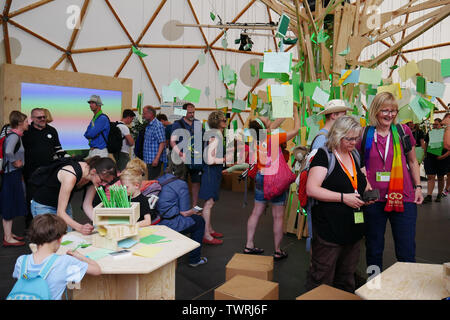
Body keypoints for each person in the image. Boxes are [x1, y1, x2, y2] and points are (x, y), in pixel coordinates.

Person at [357, 92, 423, 274]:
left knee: (406, 250)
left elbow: (412, 161)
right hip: (373, 200)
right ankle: (374, 287)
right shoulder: (364, 134)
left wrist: (418, 187)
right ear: (375, 111)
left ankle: (408, 288)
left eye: (393, 111)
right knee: (373, 249)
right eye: (385, 110)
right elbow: (357, 163)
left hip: (404, 197)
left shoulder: (403, 131)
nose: (390, 115)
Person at [305, 116, 368, 292]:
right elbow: (312, 189)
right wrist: (343, 197)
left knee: (346, 276)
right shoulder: (324, 155)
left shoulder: (355, 154)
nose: (354, 142)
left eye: (357, 138)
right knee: (322, 277)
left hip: (353, 231)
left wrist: (368, 194)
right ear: (337, 135)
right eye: (349, 138)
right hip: (329, 231)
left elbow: (363, 180)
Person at [244, 105, 300, 260]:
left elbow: (272, 125)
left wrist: (286, 111)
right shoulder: (274, 138)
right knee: (277, 217)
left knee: (256, 212)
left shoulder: (256, 138)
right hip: (274, 179)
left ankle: (249, 245)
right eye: (267, 120)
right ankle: (277, 250)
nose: (270, 120)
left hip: (261, 178)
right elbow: (296, 130)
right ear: (265, 127)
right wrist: (295, 113)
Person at [10, 214, 101, 300]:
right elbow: (97, 270)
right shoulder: (64, 262)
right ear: (60, 238)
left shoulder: (21, 261)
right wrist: (80, 256)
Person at [31, 156, 116, 235]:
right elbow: (60, 213)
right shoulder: (71, 175)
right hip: (44, 205)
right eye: (102, 180)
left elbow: (87, 205)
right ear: (94, 171)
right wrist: (80, 227)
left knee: (68, 239)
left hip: (64, 205)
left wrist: (100, 223)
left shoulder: (93, 178)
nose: (103, 184)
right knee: (49, 240)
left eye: (106, 182)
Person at [22, 108, 67, 228]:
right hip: (31, 172)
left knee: (47, 198)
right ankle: (31, 225)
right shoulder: (26, 131)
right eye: (39, 117)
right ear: (32, 118)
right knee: (31, 199)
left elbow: (58, 149)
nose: (43, 119)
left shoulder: (52, 130)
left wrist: (68, 159)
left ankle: (48, 225)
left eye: (44, 117)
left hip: (48, 172)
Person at [156, 171, 207, 267]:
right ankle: (194, 259)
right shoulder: (181, 184)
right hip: (170, 222)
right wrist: (194, 211)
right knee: (200, 221)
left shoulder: (159, 179)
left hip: (156, 220)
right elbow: (185, 212)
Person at [199, 111, 228, 245]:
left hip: (213, 172)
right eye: (223, 120)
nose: (225, 122)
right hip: (210, 171)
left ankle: (209, 230)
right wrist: (225, 159)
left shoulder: (216, 135)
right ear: (218, 122)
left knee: (210, 202)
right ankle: (206, 235)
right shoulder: (215, 137)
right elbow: (210, 160)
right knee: (209, 203)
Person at [0, 111, 29, 247]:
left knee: (10, 203)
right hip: (11, 175)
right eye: (26, 121)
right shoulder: (14, 137)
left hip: (13, 174)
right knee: (9, 204)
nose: (28, 123)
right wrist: (14, 162)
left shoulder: (16, 136)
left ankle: (9, 234)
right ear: (20, 123)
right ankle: (7, 238)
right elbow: (8, 152)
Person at [170, 103, 203, 207]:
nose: (192, 114)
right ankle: (181, 206)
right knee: (181, 182)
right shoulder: (177, 124)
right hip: (181, 159)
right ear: (184, 112)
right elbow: (172, 142)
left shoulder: (198, 123)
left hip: (195, 158)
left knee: (196, 182)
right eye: (189, 113)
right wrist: (179, 153)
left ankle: (194, 206)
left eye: (193, 112)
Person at [120, 159, 160, 227]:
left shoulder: (143, 200)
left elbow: (148, 221)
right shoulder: (125, 198)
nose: (123, 190)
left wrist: (132, 225)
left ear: (136, 185)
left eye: (126, 187)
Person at [423, 118, 449, 203]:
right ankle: (429, 195)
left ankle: (439, 194)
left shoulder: (445, 134)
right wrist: (425, 156)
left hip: (442, 158)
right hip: (430, 158)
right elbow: (425, 145)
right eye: (433, 124)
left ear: (441, 125)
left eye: (436, 124)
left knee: (441, 177)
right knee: (431, 176)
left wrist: (442, 156)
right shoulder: (430, 133)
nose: (434, 126)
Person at [142, 106, 166, 180]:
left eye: (144, 113)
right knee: (150, 181)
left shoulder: (157, 125)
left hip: (155, 161)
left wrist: (157, 158)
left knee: (153, 183)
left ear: (150, 114)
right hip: (148, 160)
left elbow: (162, 142)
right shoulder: (148, 126)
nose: (143, 115)